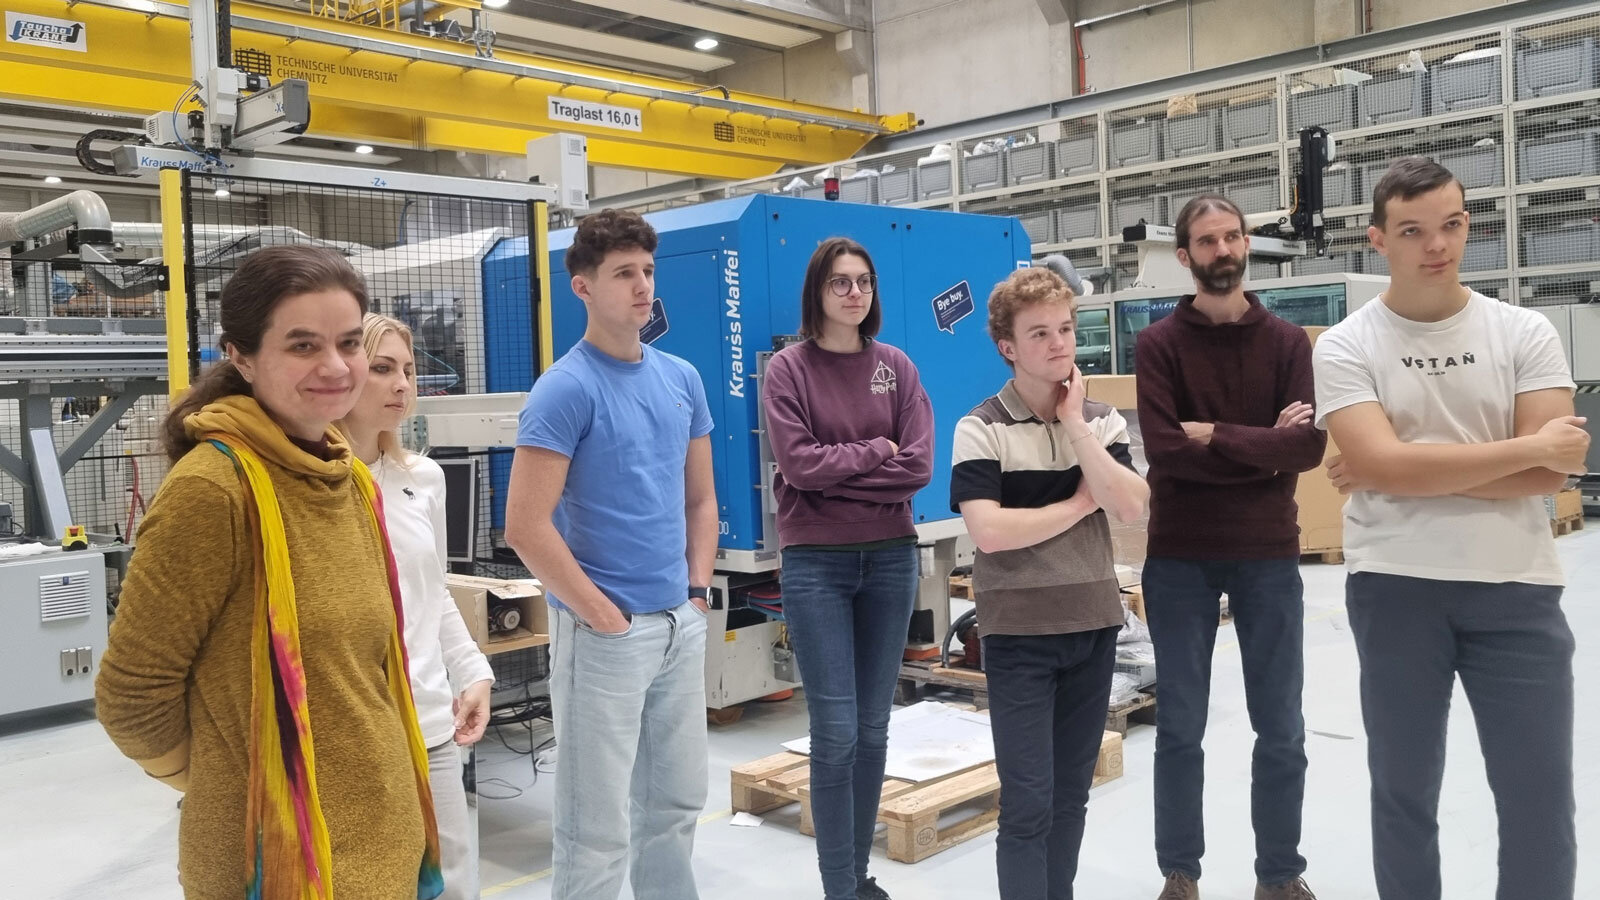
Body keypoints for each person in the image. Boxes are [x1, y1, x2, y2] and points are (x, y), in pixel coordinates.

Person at [95, 246, 443, 899]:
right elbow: (132, 696)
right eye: (303, 345)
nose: (335, 366)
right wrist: (235, 777)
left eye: (348, 343)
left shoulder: (347, 477)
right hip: (277, 863)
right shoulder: (214, 491)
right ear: (242, 356)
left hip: (386, 844)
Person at [1313, 156, 1584, 900]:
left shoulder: (1524, 331)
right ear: (1378, 239)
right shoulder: (1346, 345)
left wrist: (1401, 467)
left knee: (1538, 797)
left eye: (1452, 225)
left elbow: (1549, 478)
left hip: (1517, 587)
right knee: (1403, 794)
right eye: (1412, 230)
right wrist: (1526, 448)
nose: (1437, 245)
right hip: (1396, 586)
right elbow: (1530, 458)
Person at [504, 208, 717, 900]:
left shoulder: (682, 379)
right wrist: (601, 616)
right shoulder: (565, 389)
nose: (642, 286)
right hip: (606, 639)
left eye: (648, 271)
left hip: (678, 623)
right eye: (624, 273)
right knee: (594, 830)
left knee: (675, 807)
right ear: (583, 287)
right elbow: (525, 525)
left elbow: (700, 501)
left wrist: (696, 592)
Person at [1134, 194, 1325, 900]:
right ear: (1185, 256)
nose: (1224, 250)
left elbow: (1306, 448)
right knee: (1180, 726)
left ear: (1246, 244)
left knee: (1281, 726)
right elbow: (1165, 451)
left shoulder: (1288, 344)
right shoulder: (1158, 345)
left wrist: (1215, 434)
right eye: (1209, 241)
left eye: (1233, 236)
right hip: (1179, 554)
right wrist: (1262, 448)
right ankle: (1179, 872)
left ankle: (1280, 875)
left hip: (1268, 553)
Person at [951, 266, 1149, 900]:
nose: (1059, 343)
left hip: (1093, 627)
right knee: (1028, 802)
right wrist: (1078, 504)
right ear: (1007, 347)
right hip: (1019, 636)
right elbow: (989, 532)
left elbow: (1130, 506)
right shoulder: (980, 428)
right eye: (1040, 333)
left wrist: (1075, 425)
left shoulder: (1101, 420)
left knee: (1070, 797)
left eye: (1065, 328)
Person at [762, 237, 935, 900]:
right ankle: (840, 888)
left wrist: (839, 479)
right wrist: (875, 451)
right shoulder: (789, 370)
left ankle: (860, 879)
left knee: (872, 728)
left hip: (891, 558)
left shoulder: (897, 367)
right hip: (816, 566)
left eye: (864, 281)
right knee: (835, 732)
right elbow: (798, 466)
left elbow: (918, 467)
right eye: (840, 282)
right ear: (818, 291)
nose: (855, 292)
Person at [339, 312, 497, 900]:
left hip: (429, 720)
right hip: (352, 729)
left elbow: (434, 590)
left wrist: (473, 669)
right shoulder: (308, 485)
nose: (402, 384)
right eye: (383, 368)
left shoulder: (423, 478)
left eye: (407, 370)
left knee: (453, 879)